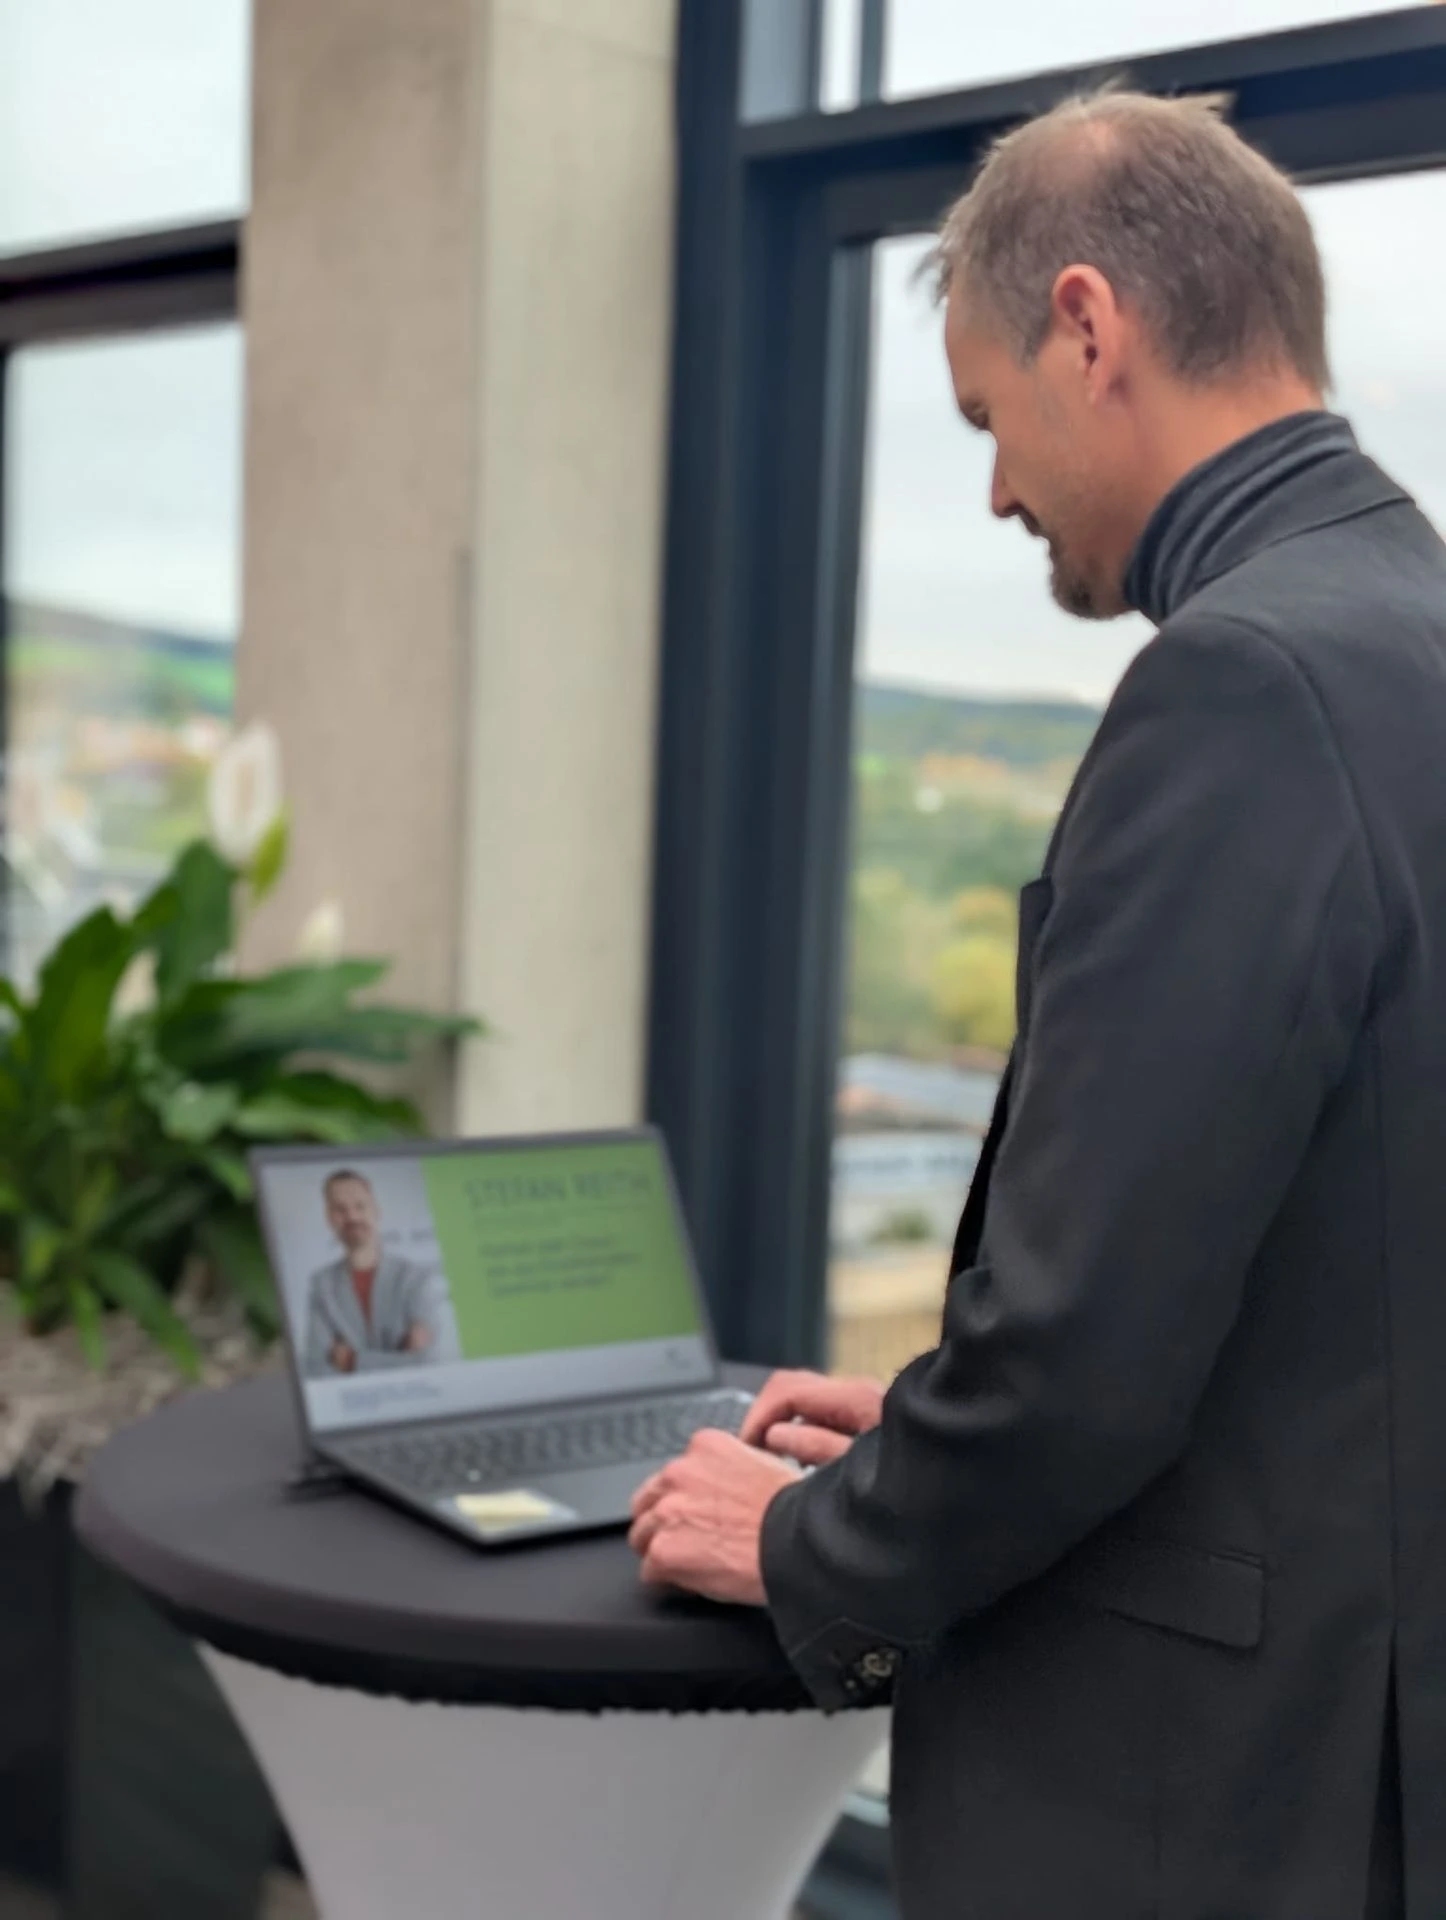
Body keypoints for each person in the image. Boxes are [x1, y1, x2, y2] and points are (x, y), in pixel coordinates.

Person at [628, 89, 1446, 1918]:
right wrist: (932, 1423)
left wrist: (813, 1536)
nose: (996, 490)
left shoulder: (1241, 685)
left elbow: (1081, 1353)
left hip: (1208, 1805)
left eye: (985, 418)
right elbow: (1338, 1267)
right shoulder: (1414, 630)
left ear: (1088, 327)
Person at [304, 1169, 461, 1376]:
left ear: (376, 1211)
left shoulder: (417, 1280)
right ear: (329, 1218)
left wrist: (353, 1361)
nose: (352, 1216)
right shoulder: (321, 1285)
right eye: (340, 1209)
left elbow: (430, 1361)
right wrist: (399, 1358)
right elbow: (317, 1367)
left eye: (360, 1206)